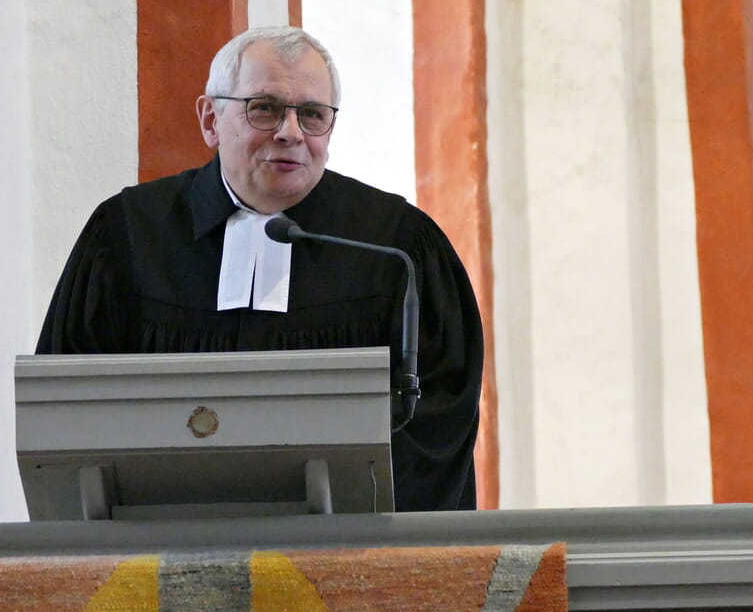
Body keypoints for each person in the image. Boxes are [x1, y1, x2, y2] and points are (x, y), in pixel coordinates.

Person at [36, 26, 482, 511]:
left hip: (346, 555)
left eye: (312, 114)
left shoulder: (396, 246)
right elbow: (68, 403)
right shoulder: (127, 236)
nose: (291, 132)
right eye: (265, 108)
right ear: (211, 119)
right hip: (156, 544)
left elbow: (440, 420)